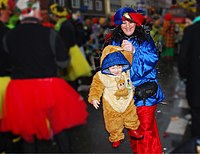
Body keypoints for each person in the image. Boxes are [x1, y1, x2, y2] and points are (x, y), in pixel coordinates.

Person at [0, 0, 88, 153]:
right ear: (35, 12)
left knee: (28, 134)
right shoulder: (50, 33)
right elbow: (63, 62)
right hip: (48, 86)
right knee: (59, 128)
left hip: (20, 89)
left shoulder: (8, 36)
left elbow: (7, 62)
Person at [103, 7, 165, 153]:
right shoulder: (114, 41)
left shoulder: (145, 40)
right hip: (126, 98)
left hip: (145, 95)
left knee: (144, 132)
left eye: (130, 22)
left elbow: (150, 62)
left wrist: (134, 52)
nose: (127, 26)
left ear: (136, 22)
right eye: (123, 23)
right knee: (135, 134)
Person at [88, 45, 144, 148]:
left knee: (131, 116)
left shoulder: (126, 71)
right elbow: (96, 87)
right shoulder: (102, 76)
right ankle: (116, 136)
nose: (117, 70)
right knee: (113, 122)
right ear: (106, 66)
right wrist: (94, 97)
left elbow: (130, 58)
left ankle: (133, 129)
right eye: (113, 67)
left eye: (119, 66)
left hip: (127, 101)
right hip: (112, 104)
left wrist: (129, 50)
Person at [50, 3, 92, 86]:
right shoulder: (64, 24)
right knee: (71, 78)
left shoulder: (64, 25)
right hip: (70, 51)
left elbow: (66, 41)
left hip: (69, 53)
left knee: (71, 78)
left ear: (56, 15)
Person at [178, 4, 200, 138]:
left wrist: (185, 77)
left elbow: (183, 57)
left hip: (196, 83)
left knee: (197, 115)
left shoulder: (191, 30)